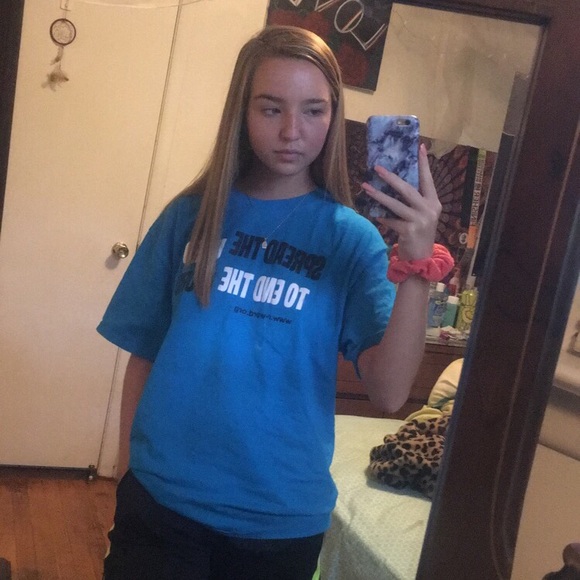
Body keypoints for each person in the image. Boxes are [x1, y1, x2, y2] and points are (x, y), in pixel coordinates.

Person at [98, 24, 444, 580]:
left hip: (279, 524)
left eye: (314, 110)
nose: (291, 131)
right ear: (242, 111)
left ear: (334, 115)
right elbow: (144, 351)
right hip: (160, 505)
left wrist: (417, 264)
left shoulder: (352, 240)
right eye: (270, 108)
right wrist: (125, 469)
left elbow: (389, 392)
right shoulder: (190, 216)